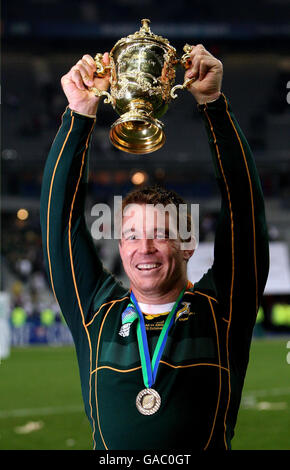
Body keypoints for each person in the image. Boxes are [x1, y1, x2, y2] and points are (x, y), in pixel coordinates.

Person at [40, 45, 269, 450]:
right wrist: (79, 115)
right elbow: (59, 222)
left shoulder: (222, 311)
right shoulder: (96, 313)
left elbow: (245, 207)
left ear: (187, 243)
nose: (143, 248)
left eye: (161, 233)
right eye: (130, 235)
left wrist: (213, 106)